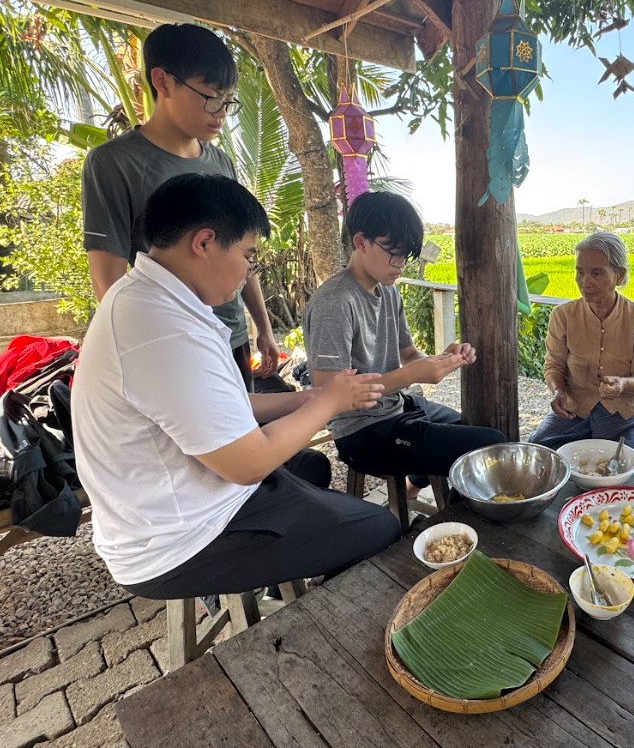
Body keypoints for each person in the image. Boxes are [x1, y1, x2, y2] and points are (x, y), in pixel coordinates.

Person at [71, 174, 401, 599]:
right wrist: (329, 404)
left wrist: (310, 397)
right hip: (181, 540)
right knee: (381, 528)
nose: (248, 272)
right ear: (204, 242)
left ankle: (289, 587)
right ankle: (316, 622)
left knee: (311, 467)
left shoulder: (154, 300)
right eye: (248, 255)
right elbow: (249, 464)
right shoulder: (160, 329)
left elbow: (224, 404)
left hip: (193, 496)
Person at [81, 22, 278, 393]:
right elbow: (108, 281)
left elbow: (241, 249)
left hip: (230, 336)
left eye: (228, 101)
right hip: (173, 344)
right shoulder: (113, 163)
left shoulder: (220, 162)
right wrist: (146, 350)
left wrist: (262, 328)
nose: (221, 112)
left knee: (242, 426)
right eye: (211, 97)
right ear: (163, 81)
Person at [303, 191, 505, 498]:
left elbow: (409, 355)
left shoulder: (388, 292)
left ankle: (417, 489)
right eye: (394, 253)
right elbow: (329, 393)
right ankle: (453, 522)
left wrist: (442, 359)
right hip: (362, 431)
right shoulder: (334, 302)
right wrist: (411, 375)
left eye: (406, 256)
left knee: (477, 428)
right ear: (361, 242)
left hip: (396, 406)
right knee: (489, 446)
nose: (400, 265)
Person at [528, 231, 634, 471]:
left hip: (628, 414)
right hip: (575, 410)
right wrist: (558, 391)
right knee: (536, 456)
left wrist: (623, 384)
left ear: (620, 276)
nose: (585, 282)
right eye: (580, 272)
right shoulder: (563, 315)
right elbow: (554, 366)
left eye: (596, 273)